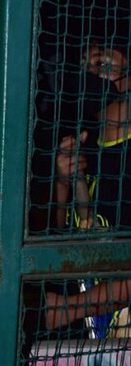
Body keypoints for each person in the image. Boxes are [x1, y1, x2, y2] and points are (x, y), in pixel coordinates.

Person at [48, 41, 131, 333]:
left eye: (101, 62)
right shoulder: (85, 148)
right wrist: (62, 183)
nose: (91, 73)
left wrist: (68, 308)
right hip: (97, 351)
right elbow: (57, 246)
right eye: (84, 66)